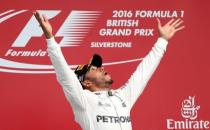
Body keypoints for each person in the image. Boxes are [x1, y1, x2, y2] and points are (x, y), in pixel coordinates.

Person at [33, 11, 184, 130]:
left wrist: (162, 41)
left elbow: (143, 73)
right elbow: (65, 76)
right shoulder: (83, 101)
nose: (102, 68)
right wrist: (50, 38)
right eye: (95, 68)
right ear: (86, 82)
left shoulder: (122, 96)